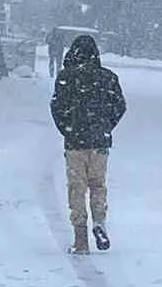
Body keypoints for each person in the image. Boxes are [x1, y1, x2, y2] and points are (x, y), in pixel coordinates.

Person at [49, 34, 127, 255]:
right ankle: (99, 222)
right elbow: (120, 106)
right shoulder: (108, 78)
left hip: (75, 142)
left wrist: (67, 127)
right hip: (99, 142)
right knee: (98, 185)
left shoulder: (67, 77)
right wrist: (105, 125)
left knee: (77, 187)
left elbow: (56, 107)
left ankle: (80, 237)